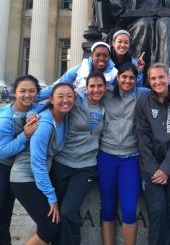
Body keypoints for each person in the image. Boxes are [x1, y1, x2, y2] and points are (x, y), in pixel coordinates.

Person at [10, 83, 76, 245]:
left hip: (35, 179)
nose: (65, 100)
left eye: (69, 96)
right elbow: (37, 162)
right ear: (51, 100)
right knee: (50, 227)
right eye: (60, 96)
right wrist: (51, 196)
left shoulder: (63, 118)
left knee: (50, 225)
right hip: (24, 180)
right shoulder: (44, 125)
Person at [49, 71, 106, 245]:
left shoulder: (106, 106)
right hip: (62, 163)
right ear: (86, 88)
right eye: (92, 86)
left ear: (105, 87)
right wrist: (31, 114)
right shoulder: (75, 102)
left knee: (68, 210)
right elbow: (52, 98)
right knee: (56, 213)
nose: (96, 90)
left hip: (86, 167)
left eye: (100, 86)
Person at [97, 62, 149, 245]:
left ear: (136, 80)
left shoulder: (142, 94)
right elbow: (80, 95)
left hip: (130, 159)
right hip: (107, 157)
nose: (127, 80)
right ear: (118, 78)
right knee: (108, 208)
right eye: (124, 77)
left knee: (128, 210)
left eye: (131, 77)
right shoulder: (106, 93)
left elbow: (165, 91)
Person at [135, 63, 170, 245]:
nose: (157, 81)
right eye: (153, 78)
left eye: (161, 77)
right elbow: (142, 138)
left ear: (169, 78)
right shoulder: (143, 100)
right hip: (151, 169)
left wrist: (166, 169)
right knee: (157, 212)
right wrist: (154, 169)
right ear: (149, 81)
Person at [0, 75, 41, 245]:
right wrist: (25, 135)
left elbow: (50, 97)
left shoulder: (37, 108)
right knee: (2, 215)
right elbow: (2, 152)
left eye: (32, 91)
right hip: (4, 168)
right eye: (22, 91)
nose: (27, 95)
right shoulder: (5, 118)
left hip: (25, 169)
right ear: (14, 92)